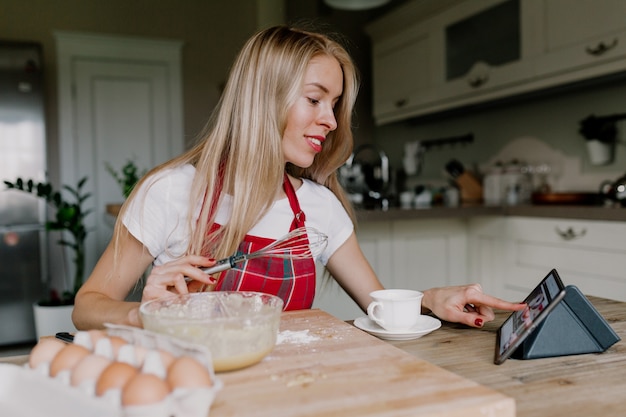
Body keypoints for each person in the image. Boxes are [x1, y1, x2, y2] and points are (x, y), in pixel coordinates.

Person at [73, 25, 524, 330]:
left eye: (334, 105)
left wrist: (431, 300)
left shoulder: (318, 208)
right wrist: (147, 313)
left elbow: (379, 305)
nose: (330, 120)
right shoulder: (171, 192)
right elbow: (87, 306)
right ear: (262, 98)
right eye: (315, 99)